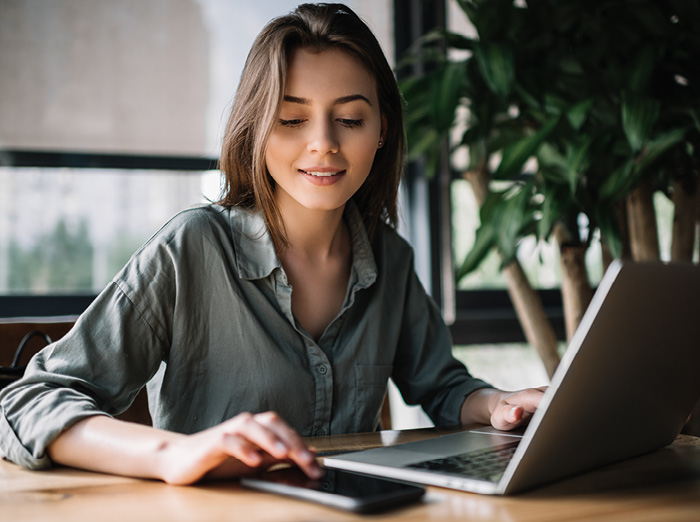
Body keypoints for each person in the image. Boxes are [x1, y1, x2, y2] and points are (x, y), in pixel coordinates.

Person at [0, 3, 544, 485]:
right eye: (291, 119)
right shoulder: (192, 249)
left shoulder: (390, 258)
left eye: (350, 118)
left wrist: (499, 405)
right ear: (256, 128)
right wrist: (175, 453)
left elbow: (443, 387)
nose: (324, 144)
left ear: (381, 129)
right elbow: (28, 401)